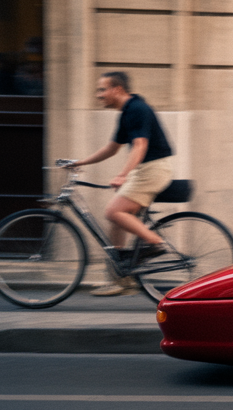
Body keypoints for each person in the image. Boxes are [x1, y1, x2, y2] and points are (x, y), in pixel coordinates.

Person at [69, 72, 175, 296]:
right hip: (144, 170)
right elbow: (112, 148)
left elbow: (140, 145)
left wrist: (122, 175)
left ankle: (156, 242)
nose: (99, 95)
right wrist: (80, 162)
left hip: (152, 169)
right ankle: (122, 279)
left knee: (113, 211)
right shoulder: (127, 112)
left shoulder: (137, 109)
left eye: (102, 90)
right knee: (117, 219)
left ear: (117, 89)